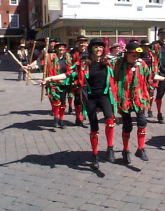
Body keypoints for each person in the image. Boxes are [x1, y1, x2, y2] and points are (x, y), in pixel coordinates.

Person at [43, 38, 117, 170]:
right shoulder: (84, 64)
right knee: (94, 126)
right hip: (91, 97)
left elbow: (126, 65)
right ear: (91, 49)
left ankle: (110, 148)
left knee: (110, 120)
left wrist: (138, 60)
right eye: (96, 47)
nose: (99, 49)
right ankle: (94, 155)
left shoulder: (109, 63)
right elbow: (68, 75)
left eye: (101, 47)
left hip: (105, 96)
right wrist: (50, 78)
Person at [114, 42, 152, 164]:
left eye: (138, 55)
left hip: (139, 98)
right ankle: (125, 150)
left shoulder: (142, 65)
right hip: (124, 99)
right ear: (126, 55)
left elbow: (149, 78)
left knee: (142, 122)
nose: (136, 58)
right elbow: (112, 78)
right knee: (127, 126)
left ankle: (141, 149)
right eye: (133, 55)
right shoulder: (119, 64)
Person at [45, 42, 73, 129]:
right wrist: (31, 66)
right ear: (55, 49)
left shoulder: (68, 58)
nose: (61, 49)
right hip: (53, 83)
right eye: (59, 48)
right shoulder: (50, 57)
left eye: (63, 47)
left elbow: (71, 70)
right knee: (56, 102)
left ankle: (61, 120)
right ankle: (56, 119)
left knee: (63, 102)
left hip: (64, 83)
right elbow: (40, 64)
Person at [70, 35, 89, 126]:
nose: (82, 44)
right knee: (78, 99)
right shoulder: (72, 53)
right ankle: (78, 118)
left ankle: (86, 114)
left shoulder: (90, 53)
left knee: (87, 99)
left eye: (84, 42)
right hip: (76, 80)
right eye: (80, 42)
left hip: (88, 80)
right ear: (77, 43)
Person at [140, 39, 156, 118]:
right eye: (144, 46)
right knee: (141, 93)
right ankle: (142, 109)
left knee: (151, 93)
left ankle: (150, 109)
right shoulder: (138, 54)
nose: (146, 48)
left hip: (149, 75)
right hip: (140, 76)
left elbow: (155, 63)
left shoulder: (150, 54)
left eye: (147, 46)